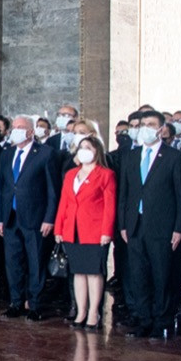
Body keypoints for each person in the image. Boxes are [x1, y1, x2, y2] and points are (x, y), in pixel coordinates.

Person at [117, 110, 181, 339]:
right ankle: (144, 319)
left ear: (160, 129)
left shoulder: (173, 157)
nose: (145, 127)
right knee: (139, 275)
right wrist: (123, 225)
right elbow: (125, 194)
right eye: (142, 124)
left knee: (162, 275)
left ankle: (162, 321)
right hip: (135, 226)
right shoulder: (131, 156)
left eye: (150, 124)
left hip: (163, 227)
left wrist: (178, 228)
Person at [0, 115, 61, 319]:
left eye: (20, 127)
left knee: (36, 262)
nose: (15, 130)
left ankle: (35, 305)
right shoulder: (7, 154)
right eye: (14, 127)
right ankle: (16, 302)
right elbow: (2, 188)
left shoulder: (45, 153)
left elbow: (52, 190)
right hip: (10, 217)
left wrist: (49, 218)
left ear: (31, 132)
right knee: (13, 263)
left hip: (35, 218)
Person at [53, 136, 116, 329]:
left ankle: (93, 313)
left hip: (94, 230)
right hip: (72, 229)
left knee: (94, 273)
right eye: (81, 147)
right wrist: (59, 228)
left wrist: (107, 231)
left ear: (97, 150)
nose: (83, 150)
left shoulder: (105, 174)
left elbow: (109, 206)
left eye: (87, 147)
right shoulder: (71, 174)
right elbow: (64, 202)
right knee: (78, 273)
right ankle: (80, 312)